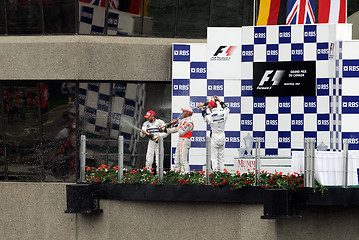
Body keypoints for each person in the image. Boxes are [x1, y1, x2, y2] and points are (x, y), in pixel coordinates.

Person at [198, 96, 230, 171]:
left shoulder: (210, 116)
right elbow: (227, 108)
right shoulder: (223, 113)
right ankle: (222, 173)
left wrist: (202, 108)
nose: (209, 109)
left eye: (209, 108)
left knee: (214, 157)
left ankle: (215, 173)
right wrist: (219, 100)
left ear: (210, 108)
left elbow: (205, 117)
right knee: (221, 157)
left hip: (215, 136)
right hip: (222, 135)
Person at [161, 107, 194, 173]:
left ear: (187, 113)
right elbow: (175, 130)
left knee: (183, 159)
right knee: (176, 159)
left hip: (185, 140)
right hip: (181, 140)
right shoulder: (182, 121)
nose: (182, 112)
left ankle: (187, 175)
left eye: (184, 111)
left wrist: (176, 125)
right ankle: (177, 175)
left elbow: (182, 132)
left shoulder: (189, 122)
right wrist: (165, 130)